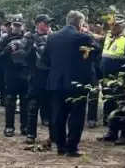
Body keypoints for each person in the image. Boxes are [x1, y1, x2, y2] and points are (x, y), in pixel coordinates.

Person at [41, 10, 101, 157]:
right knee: (76, 116)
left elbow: (44, 60)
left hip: (57, 82)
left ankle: (60, 147)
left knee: (58, 115)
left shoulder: (52, 37)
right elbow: (97, 49)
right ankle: (71, 148)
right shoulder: (83, 37)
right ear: (80, 23)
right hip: (77, 83)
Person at [98, 14, 125, 146]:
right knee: (109, 104)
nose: (112, 27)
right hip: (108, 79)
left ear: (122, 25)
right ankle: (112, 132)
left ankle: (124, 135)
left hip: (121, 79)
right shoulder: (108, 37)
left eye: (115, 25)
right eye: (111, 25)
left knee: (123, 106)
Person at [0, 15, 31, 137]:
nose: (16, 28)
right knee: (9, 100)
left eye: (19, 26)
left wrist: (24, 52)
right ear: (11, 26)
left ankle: (25, 126)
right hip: (10, 72)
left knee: (25, 100)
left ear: (23, 26)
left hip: (24, 72)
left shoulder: (28, 38)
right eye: (15, 25)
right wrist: (7, 50)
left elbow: (34, 54)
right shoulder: (4, 38)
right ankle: (9, 126)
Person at [25, 14, 52, 145]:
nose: (48, 26)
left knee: (51, 107)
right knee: (33, 106)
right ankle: (30, 134)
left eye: (48, 24)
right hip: (35, 76)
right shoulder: (29, 37)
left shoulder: (52, 37)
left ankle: (54, 136)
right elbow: (25, 57)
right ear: (39, 24)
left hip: (49, 76)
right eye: (45, 23)